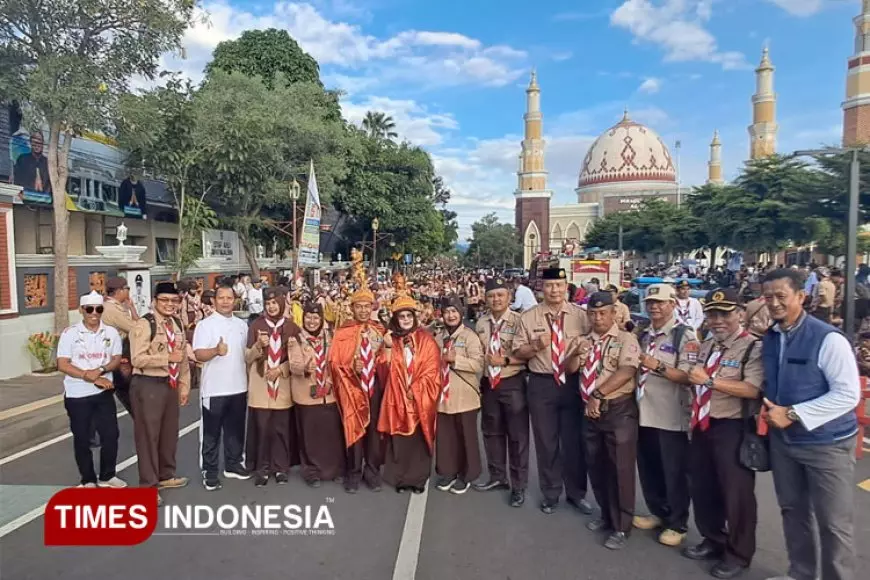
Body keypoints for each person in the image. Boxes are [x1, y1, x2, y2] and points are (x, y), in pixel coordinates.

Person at [760, 268, 861, 580]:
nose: (774, 303)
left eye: (781, 296)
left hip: (827, 445)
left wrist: (792, 413)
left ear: (801, 296)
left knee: (834, 523)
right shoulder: (771, 337)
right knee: (793, 512)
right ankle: (801, 573)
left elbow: (848, 394)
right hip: (784, 443)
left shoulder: (828, 338)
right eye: (768, 297)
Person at [682, 288, 763, 579]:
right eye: (712, 314)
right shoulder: (707, 345)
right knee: (703, 487)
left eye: (724, 314)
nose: (717, 320)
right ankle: (713, 538)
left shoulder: (752, 347)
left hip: (732, 426)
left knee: (736, 493)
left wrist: (711, 382)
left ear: (739, 314)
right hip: (702, 423)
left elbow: (753, 389)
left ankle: (739, 553)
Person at [513, 268, 592, 515]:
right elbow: (518, 351)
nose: (554, 290)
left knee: (574, 442)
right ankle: (551, 493)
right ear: (541, 288)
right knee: (546, 442)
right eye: (549, 285)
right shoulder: (529, 317)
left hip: (572, 382)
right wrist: (536, 345)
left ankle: (577, 493)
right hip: (541, 383)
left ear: (566, 286)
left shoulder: (581, 316)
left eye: (559, 285)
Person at [632, 284, 699, 548]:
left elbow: (689, 376)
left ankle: (677, 522)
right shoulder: (643, 333)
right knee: (650, 468)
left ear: (672, 304)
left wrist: (657, 365)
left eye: (660, 302)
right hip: (643, 410)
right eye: (650, 302)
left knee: (674, 471)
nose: (654, 307)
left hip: (670, 413)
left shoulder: (684, 335)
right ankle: (658, 511)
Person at [575, 291, 641, 551]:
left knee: (620, 469)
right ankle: (606, 515)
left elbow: (627, 370)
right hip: (590, 413)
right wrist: (575, 353)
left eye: (603, 313)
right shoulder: (585, 340)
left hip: (618, 410)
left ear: (614, 313)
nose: (598, 318)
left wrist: (598, 395)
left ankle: (622, 526)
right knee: (596, 465)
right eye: (592, 313)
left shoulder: (626, 339)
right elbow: (570, 369)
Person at [56, 291, 126, 488]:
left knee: (110, 435)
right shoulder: (70, 334)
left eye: (98, 309)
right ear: (81, 310)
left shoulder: (111, 332)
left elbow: (116, 359)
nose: (94, 313)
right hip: (77, 394)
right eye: (89, 309)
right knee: (82, 438)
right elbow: (62, 364)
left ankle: (107, 476)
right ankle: (87, 479)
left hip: (103, 392)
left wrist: (101, 370)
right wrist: (87, 375)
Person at [129, 282, 191, 504]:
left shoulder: (177, 323)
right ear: (155, 301)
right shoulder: (145, 324)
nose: (170, 304)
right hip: (148, 384)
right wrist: (166, 358)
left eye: (174, 300)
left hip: (170, 383)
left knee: (169, 433)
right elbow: (137, 358)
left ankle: (166, 474)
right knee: (148, 436)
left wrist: (184, 385)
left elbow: (182, 357)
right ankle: (148, 485)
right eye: (164, 300)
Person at [474, 277, 530, 507]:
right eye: (491, 296)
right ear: (485, 299)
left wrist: (505, 360)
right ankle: (497, 476)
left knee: (517, 436)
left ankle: (518, 485)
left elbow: (528, 354)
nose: (496, 299)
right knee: (491, 431)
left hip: (512, 382)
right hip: (489, 383)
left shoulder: (519, 321)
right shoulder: (481, 322)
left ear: (509, 297)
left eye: (500, 295)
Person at [378, 294, 442, 493]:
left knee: (418, 442)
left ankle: (418, 480)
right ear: (396, 319)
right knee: (400, 442)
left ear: (414, 317)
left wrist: (415, 390)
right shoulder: (391, 340)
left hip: (419, 399)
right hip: (396, 399)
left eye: (408, 316)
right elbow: (382, 370)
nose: (405, 320)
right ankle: (400, 479)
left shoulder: (427, 340)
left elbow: (433, 370)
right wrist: (388, 348)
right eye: (401, 316)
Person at [192, 284, 252, 490]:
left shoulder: (242, 325)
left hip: (239, 386)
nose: (226, 302)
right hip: (214, 389)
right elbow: (198, 354)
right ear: (214, 300)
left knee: (235, 430)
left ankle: (233, 464)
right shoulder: (205, 325)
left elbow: (247, 355)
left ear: (235, 300)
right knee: (211, 433)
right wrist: (216, 351)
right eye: (221, 298)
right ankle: (209, 471)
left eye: (229, 298)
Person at [328, 283, 386, 493]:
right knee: (353, 428)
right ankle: (353, 472)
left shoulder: (379, 330)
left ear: (372, 307)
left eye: (366, 306)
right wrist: (351, 366)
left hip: (374, 386)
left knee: (374, 430)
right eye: (359, 306)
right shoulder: (343, 332)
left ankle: (372, 471)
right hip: (352, 388)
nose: (363, 310)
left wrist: (377, 362)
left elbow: (386, 358)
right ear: (352, 308)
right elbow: (333, 362)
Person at [245, 287, 300, 487]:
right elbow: (247, 357)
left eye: (275, 302)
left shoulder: (292, 327)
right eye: (268, 303)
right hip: (261, 385)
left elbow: (297, 359)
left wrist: (281, 369)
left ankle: (280, 468)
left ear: (281, 303)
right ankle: (262, 469)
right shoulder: (256, 325)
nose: (271, 307)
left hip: (282, 384)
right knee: (262, 429)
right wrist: (258, 346)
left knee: (281, 429)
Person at [291, 302, 346, 487]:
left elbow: (337, 362)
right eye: (308, 317)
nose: (312, 321)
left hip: (329, 394)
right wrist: (305, 368)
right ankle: (312, 472)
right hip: (306, 395)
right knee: (310, 437)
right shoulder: (296, 338)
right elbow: (294, 365)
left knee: (332, 434)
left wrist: (329, 380)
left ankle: (335, 469)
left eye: (316, 318)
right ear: (303, 318)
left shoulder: (331, 336)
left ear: (321, 319)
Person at [433, 298, 484, 494]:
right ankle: (448, 472)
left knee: (466, 438)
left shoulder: (470, 337)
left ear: (461, 313)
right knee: (446, 438)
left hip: (465, 396)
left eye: (454, 311)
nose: (451, 315)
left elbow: (478, 364)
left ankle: (466, 475)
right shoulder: (439, 338)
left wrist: (456, 360)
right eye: (447, 312)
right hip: (443, 397)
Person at [101, 276, 138, 415]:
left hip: (116, 352)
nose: (129, 291)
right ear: (119, 291)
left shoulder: (114, 307)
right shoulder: (112, 309)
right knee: (125, 389)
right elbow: (136, 329)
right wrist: (132, 309)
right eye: (127, 288)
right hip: (118, 353)